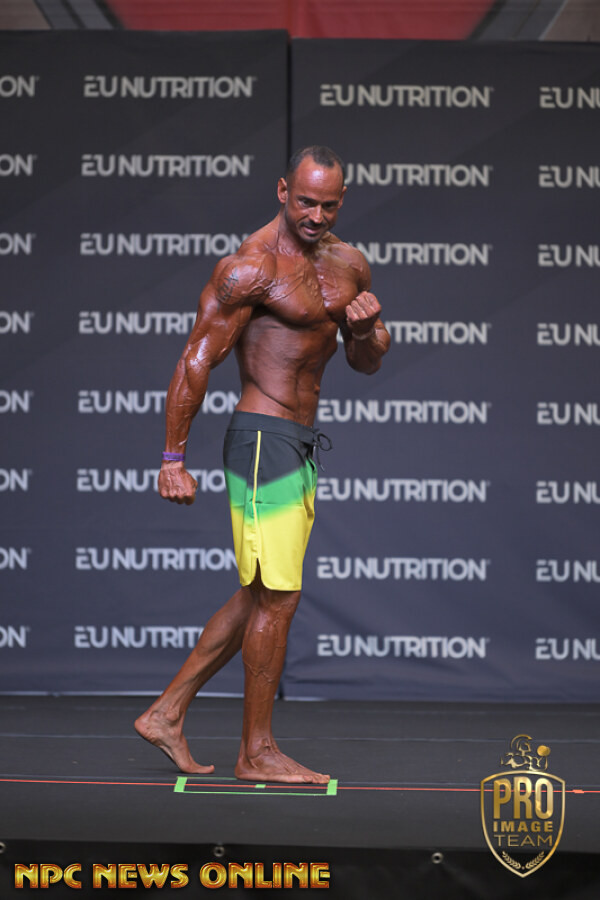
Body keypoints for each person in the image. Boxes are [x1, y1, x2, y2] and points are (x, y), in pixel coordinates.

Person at [135, 146, 390, 784]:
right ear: (282, 191)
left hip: (298, 441)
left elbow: (366, 361)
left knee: (259, 591)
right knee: (279, 595)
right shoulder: (251, 266)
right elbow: (197, 358)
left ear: (342, 199)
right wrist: (172, 458)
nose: (315, 215)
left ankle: (166, 713)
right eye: (305, 201)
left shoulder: (349, 264)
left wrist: (365, 330)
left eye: (328, 205)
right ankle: (256, 752)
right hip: (261, 438)